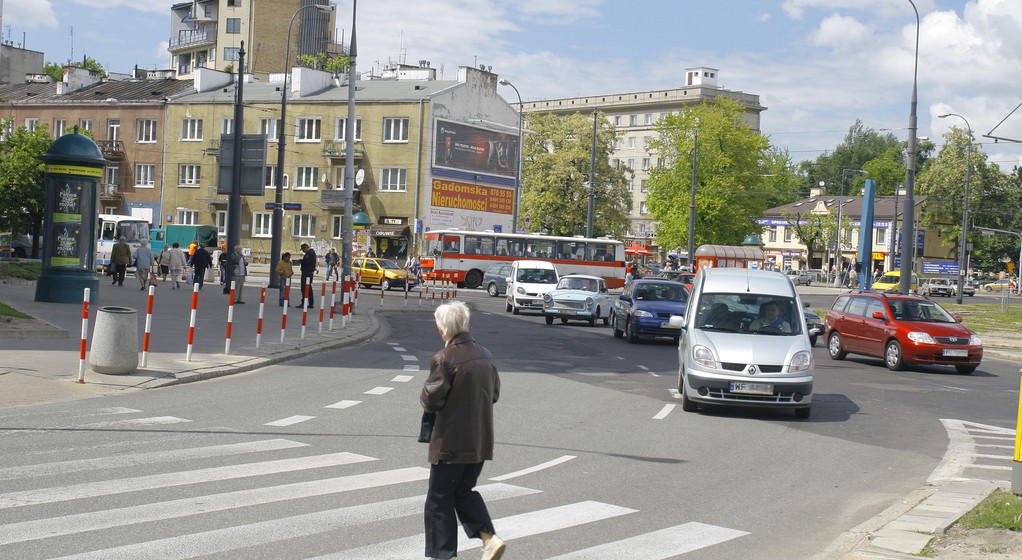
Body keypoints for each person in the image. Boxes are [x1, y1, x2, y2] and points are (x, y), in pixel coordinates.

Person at [421, 301, 505, 560]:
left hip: (450, 444)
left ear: (442, 329)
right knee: (462, 492)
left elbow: (431, 399)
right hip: (480, 442)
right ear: (466, 325)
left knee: (438, 501)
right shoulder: (485, 355)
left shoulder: (444, 359)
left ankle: (442, 556)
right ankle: (489, 539)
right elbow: (494, 394)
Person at [297, 243, 317, 308]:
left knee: (304, 288)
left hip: (307, 273)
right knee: (308, 288)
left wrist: (301, 261)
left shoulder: (309, 253)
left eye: (303, 250)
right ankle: (310, 303)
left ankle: (304, 302)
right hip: (309, 272)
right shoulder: (312, 253)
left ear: (305, 248)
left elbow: (307, 262)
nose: (303, 251)